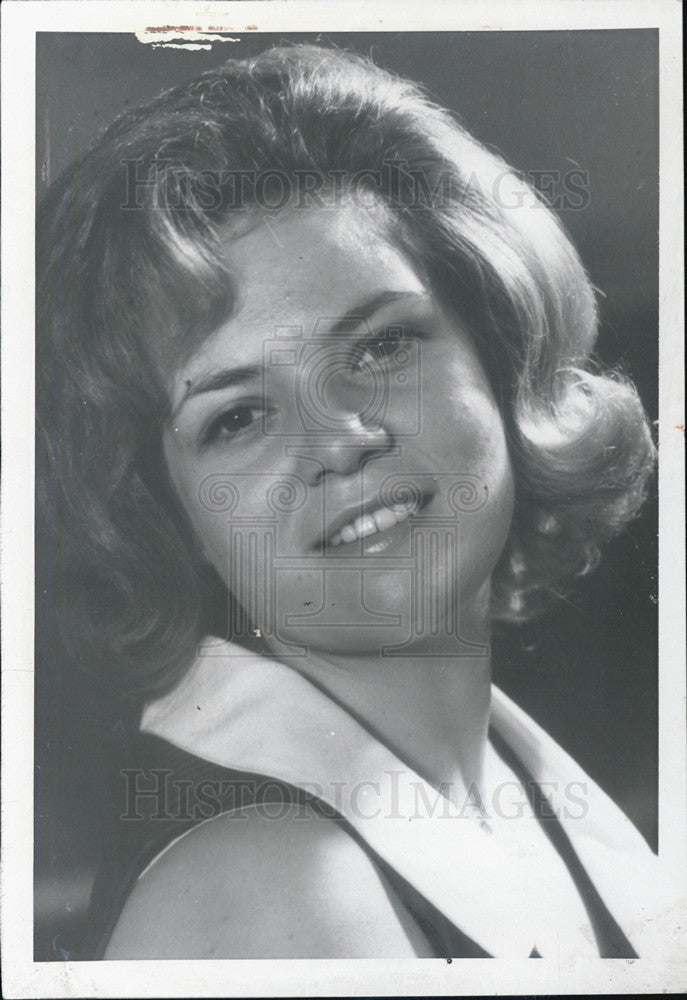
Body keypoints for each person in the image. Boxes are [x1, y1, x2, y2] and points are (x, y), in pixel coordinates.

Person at [36, 43, 662, 959]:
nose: (337, 440)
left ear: (498, 354)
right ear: (164, 512)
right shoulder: (269, 889)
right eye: (239, 416)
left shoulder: (531, 796)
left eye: (378, 350)